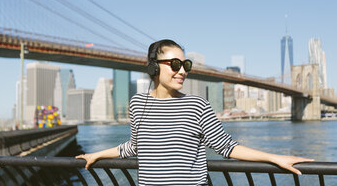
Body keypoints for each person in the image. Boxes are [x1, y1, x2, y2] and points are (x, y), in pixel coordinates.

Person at [76, 39, 313, 185]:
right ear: (153, 67)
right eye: (175, 65)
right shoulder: (138, 103)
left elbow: (226, 147)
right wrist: (96, 154)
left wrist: (275, 158)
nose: (182, 71)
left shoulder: (197, 105)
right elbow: (135, 146)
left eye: (186, 65)